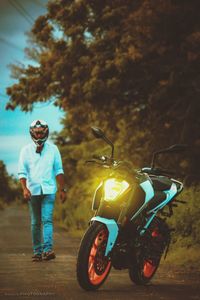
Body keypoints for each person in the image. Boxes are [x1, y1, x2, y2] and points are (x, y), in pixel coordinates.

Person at [18, 119, 66, 262]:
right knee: (35, 222)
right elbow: (22, 172)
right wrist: (24, 188)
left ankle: (48, 250)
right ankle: (37, 252)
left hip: (49, 190)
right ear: (32, 133)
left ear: (46, 132)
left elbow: (58, 170)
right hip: (32, 191)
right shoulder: (25, 150)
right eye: (36, 133)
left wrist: (62, 189)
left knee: (47, 220)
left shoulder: (53, 149)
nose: (39, 135)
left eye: (41, 132)